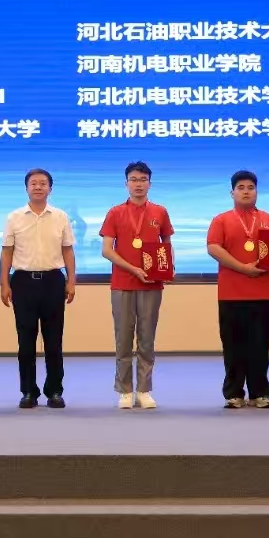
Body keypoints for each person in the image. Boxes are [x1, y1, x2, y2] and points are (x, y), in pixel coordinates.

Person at [206, 170, 269, 409]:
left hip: (262, 293)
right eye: (241, 187)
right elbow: (213, 248)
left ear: (257, 191)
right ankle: (234, 393)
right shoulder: (221, 220)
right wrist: (243, 268)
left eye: (251, 187)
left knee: (260, 344)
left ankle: (259, 393)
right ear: (232, 192)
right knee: (232, 345)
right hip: (231, 293)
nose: (246, 191)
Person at [99, 161, 174, 410]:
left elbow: (166, 245)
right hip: (122, 283)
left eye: (143, 180)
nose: (138, 184)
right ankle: (124, 390)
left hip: (151, 284)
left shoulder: (160, 212)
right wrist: (133, 269)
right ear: (126, 184)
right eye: (133, 179)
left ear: (150, 183)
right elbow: (107, 250)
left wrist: (167, 268)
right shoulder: (115, 212)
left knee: (147, 338)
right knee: (123, 338)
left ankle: (143, 390)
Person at [0, 168, 76, 409]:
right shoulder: (14, 217)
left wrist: (71, 280)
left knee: (54, 341)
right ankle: (28, 392)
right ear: (27, 188)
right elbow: (7, 252)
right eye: (34, 183)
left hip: (53, 281)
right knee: (26, 341)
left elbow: (67, 250)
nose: (38, 187)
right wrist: (4, 283)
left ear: (50, 188)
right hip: (23, 282)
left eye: (43, 183)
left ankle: (54, 391)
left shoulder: (60, 216)